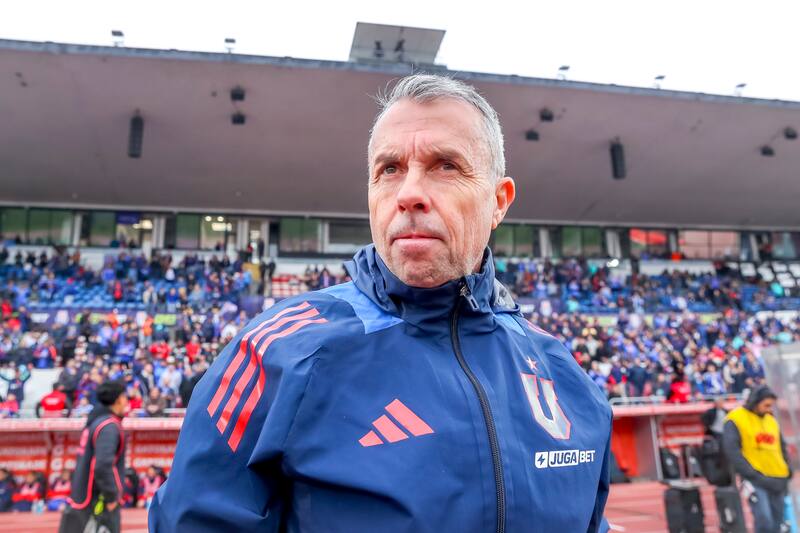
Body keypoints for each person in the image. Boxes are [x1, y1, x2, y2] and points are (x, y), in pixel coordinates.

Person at [150, 74, 612, 532]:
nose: (409, 193)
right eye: (389, 169)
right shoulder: (276, 355)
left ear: (498, 201)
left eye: (445, 165)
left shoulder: (564, 376)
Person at [59, 380, 128, 533]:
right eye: (125, 397)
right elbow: (103, 465)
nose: (127, 401)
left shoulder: (95, 421)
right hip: (97, 501)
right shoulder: (109, 426)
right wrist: (111, 496)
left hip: (82, 497)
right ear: (118, 399)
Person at [722, 385, 792, 533]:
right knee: (764, 520)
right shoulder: (735, 419)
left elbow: (782, 448)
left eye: (771, 405)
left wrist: (787, 470)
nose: (769, 409)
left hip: (777, 477)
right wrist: (750, 473)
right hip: (755, 479)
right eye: (766, 405)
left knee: (777, 524)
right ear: (755, 401)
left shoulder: (771, 420)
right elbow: (732, 451)